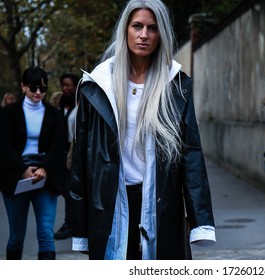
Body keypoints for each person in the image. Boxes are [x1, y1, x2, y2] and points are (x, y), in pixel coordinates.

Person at [70, 0, 215, 260]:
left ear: (161, 34)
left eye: (152, 28)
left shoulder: (175, 84)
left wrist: (200, 222)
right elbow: (82, 158)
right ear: (125, 29)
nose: (144, 35)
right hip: (110, 203)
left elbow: (191, 152)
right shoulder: (97, 85)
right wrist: (79, 228)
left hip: (161, 203)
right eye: (137, 26)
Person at [0, 66, 66, 260]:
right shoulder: (7, 114)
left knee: (46, 233)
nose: (39, 92)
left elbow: (59, 146)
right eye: (34, 87)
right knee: (16, 237)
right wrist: (21, 169)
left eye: (43, 88)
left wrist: (45, 167)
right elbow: (3, 146)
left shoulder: (55, 115)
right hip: (16, 176)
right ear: (23, 87)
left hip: (45, 178)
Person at [53, 73, 80, 240]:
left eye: (69, 85)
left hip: (75, 154)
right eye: (63, 85)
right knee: (66, 191)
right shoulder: (59, 106)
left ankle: (71, 225)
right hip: (61, 154)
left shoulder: (82, 104)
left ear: (76, 86)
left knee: (72, 191)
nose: (65, 88)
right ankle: (71, 224)